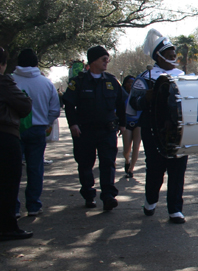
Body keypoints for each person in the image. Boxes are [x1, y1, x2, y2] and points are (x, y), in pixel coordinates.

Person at [128, 30, 188, 223]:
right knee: (156, 168)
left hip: (179, 128)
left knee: (178, 168)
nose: (174, 58)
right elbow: (133, 104)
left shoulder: (182, 75)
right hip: (154, 129)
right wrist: (145, 98)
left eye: (174, 55)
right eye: (170, 56)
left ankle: (175, 209)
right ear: (159, 57)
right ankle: (151, 200)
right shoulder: (145, 77)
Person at [62, 46, 127, 210]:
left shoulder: (112, 81)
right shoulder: (78, 82)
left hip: (107, 131)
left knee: (108, 163)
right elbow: (69, 104)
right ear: (93, 61)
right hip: (85, 131)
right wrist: (73, 124)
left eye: (108, 59)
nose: (106, 62)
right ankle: (89, 194)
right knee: (85, 165)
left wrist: (123, 123)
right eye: (103, 59)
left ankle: (108, 196)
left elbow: (121, 103)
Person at [12, 49, 60, 217]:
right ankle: (33, 205)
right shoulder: (45, 83)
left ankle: (13, 207)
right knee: (35, 168)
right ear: (36, 63)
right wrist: (46, 122)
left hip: (14, 130)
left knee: (12, 170)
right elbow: (55, 109)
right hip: (38, 129)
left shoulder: (10, 80)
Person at [0, 46, 33, 240]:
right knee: (8, 183)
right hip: (5, 136)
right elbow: (24, 105)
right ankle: (8, 226)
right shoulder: (4, 83)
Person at [121, 75, 142, 179]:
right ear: (125, 84)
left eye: (133, 83)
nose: (131, 84)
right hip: (127, 123)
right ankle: (127, 160)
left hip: (138, 123)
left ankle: (131, 169)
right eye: (129, 82)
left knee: (136, 147)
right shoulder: (123, 95)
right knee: (126, 148)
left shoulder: (139, 95)